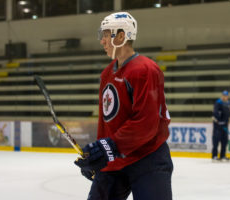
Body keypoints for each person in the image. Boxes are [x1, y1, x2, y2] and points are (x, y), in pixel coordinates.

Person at [74, 12, 173, 200]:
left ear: (121, 36)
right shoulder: (106, 74)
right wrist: (99, 157)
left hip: (148, 157)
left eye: (106, 35)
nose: (102, 41)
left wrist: (109, 147)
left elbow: (147, 123)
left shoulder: (145, 70)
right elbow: (107, 123)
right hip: (116, 159)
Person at [212, 90, 230, 162]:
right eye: (224, 95)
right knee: (216, 141)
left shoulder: (228, 103)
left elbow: (227, 114)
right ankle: (214, 156)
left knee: (224, 141)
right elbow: (215, 113)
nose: (225, 97)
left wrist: (226, 122)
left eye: (226, 96)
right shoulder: (218, 102)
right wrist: (219, 121)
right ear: (222, 96)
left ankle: (223, 155)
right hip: (218, 126)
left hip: (225, 125)